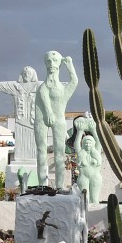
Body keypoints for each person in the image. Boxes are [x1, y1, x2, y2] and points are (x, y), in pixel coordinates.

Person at [33, 51, 78, 189]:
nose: (51, 63)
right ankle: (42, 185)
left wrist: (69, 65)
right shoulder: (42, 88)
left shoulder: (63, 89)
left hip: (59, 121)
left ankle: (59, 187)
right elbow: (44, 96)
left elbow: (74, 81)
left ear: (59, 63)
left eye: (54, 60)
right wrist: (48, 112)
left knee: (60, 154)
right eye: (48, 61)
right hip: (42, 120)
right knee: (41, 152)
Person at [73, 117, 103, 203]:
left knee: (95, 199)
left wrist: (94, 130)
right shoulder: (81, 152)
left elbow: (99, 141)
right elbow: (77, 143)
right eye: (85, 143)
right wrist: (80, 131)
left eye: (90, 143)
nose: (87, 145)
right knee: (84, 200)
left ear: (93, 144)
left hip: (96, 177)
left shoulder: (96, 151)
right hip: (83, 177)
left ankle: (94, 215)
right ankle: (84, 215)